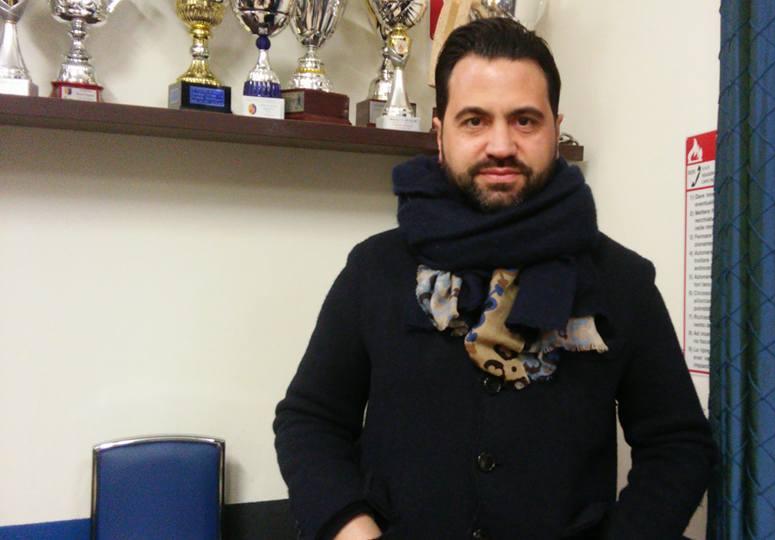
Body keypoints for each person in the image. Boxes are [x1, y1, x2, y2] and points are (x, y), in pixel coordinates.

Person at [274, 17, 715, 540]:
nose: (501, 145)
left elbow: (678, 446)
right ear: (440, 134)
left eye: (525, 120)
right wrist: (352, 530)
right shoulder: (375, 269)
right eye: (474, 120)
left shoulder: (623, 281)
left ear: (556, 130)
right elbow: (311, 421)